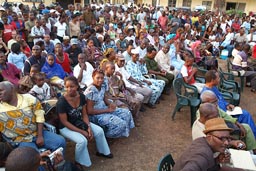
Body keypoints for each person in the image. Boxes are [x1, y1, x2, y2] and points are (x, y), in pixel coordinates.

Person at [56, 76, 112, 168]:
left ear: (77, 86)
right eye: (67, 87)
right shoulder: (61, 102)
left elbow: (84, 114)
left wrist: (88, 127)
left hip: (79, 121)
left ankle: (103, 151)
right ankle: (79, 162)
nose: (69, 89)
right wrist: (82, 131)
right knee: (82, 141)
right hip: (66, 127)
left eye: (72, 86)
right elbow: (65, 122)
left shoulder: (81, 96)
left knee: (99, 131)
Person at [0, 81, 66, 152]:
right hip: (20, 140)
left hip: (37, 133)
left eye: (1, 90)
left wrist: (40, 136)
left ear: (11, 88)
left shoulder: (29, 99)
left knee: (60, 142)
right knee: (32, 156)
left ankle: (57, 162)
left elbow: (40, 116)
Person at [202, 70, 256, 137]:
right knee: (245, 115)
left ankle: (251, 134)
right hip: (223, 116)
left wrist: (227, 104)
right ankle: (253, 136)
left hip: (227, 111)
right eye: (218, 78)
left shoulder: (213, 87)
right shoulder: (207, 95)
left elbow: (221, 98)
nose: (219, 80)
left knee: (245, 114)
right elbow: (215, 111)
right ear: (213, 80)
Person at [174, 117, 243, 171]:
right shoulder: (202, 156)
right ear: (209, 137)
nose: (227, 143)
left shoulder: (202, 140)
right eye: (221, 138)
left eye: (228, 138)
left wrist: (216, 160)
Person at [84, 69, 135, 138]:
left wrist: (110, 104)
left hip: (104, 108)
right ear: (93, 77)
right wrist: (107, 110)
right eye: (98, 78)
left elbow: (104, 97)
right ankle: (105, 136)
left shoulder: (102, 85)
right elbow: (90, 111)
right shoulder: (91, 91)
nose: (100, 80)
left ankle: (122, 133)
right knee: (120, 123)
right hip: (95, 115)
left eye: (102, 78)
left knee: (126, 113)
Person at [104, 62, 143, 126]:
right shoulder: (104, 79)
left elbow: (121, 87)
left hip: (119, 94)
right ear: (106, 69)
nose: (113, 70)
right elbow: (105, 94)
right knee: (125, 108)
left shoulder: (114, 77)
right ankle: (126, 123)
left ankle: (134, 118)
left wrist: (121, 77)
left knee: (136, 102)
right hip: (112, 98)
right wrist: (114, 98)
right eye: (111, 69)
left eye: (114, 69)